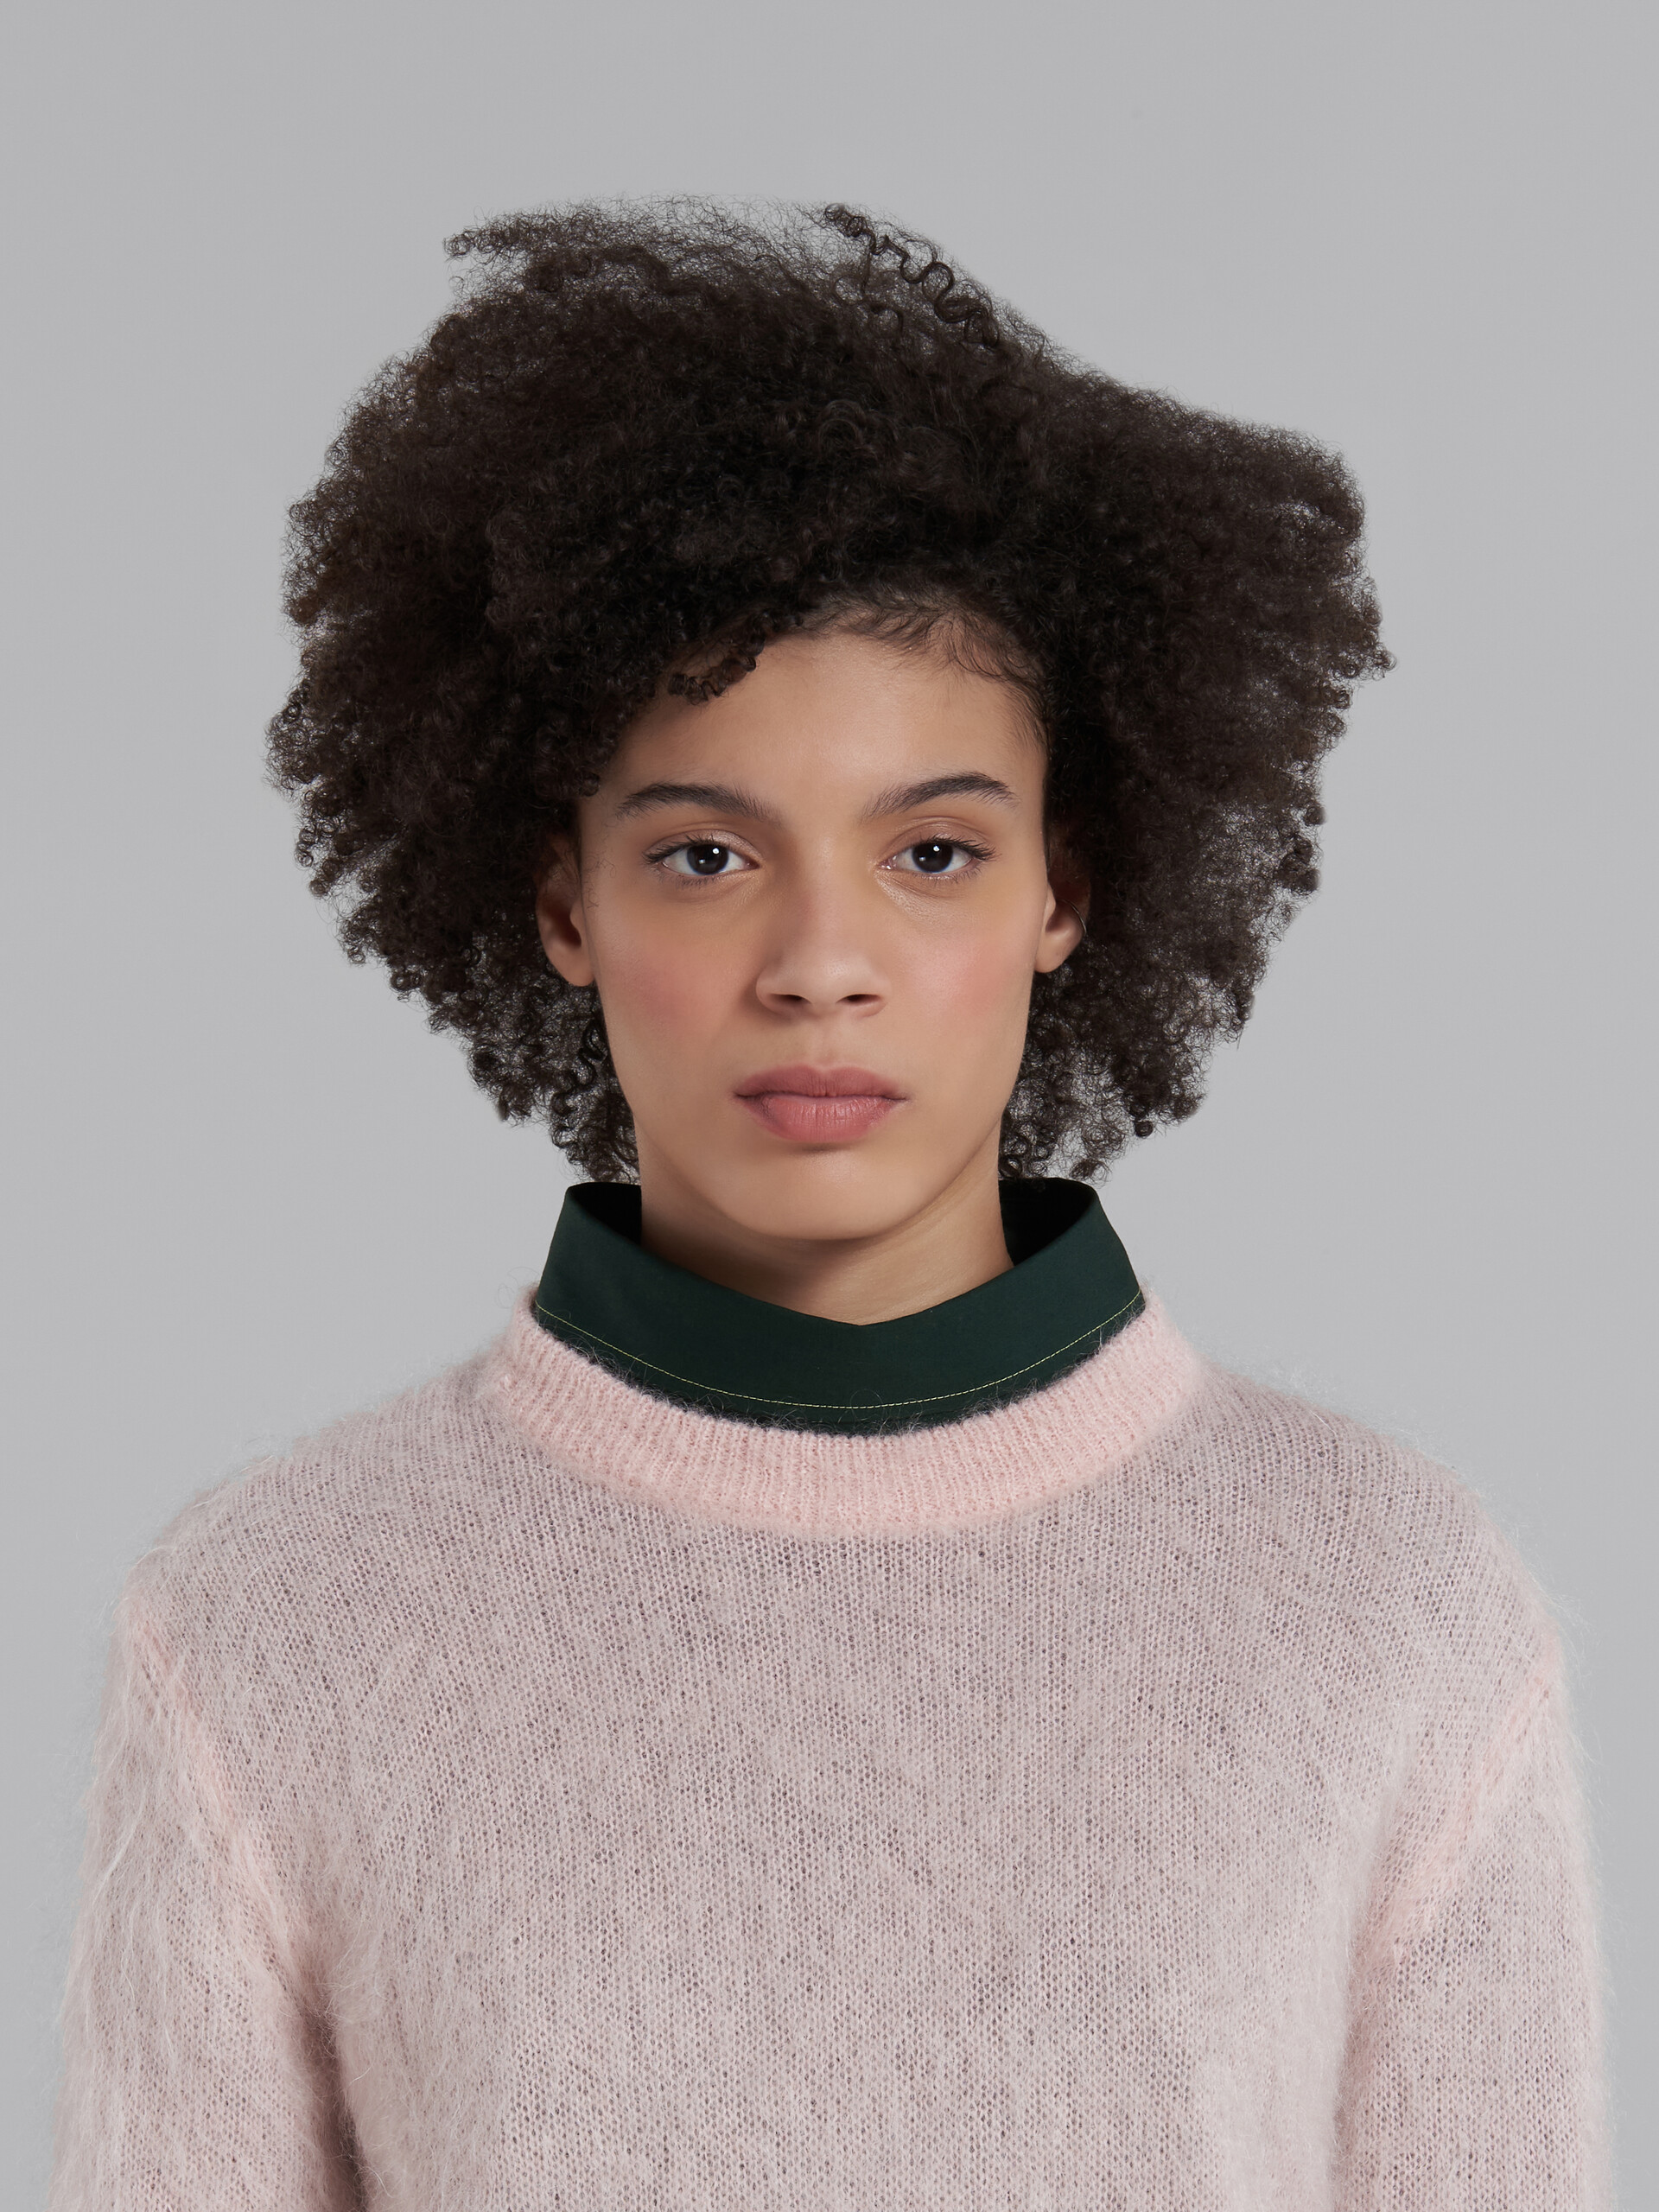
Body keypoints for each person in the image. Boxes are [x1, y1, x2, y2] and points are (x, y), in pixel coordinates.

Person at [49, 203, 1611, 2208]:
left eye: (932, 852)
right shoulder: (274, 1622)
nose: (820, 964)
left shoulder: (1392, 1612)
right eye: (705, 854)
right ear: (562, 896)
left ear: (1064, 887)